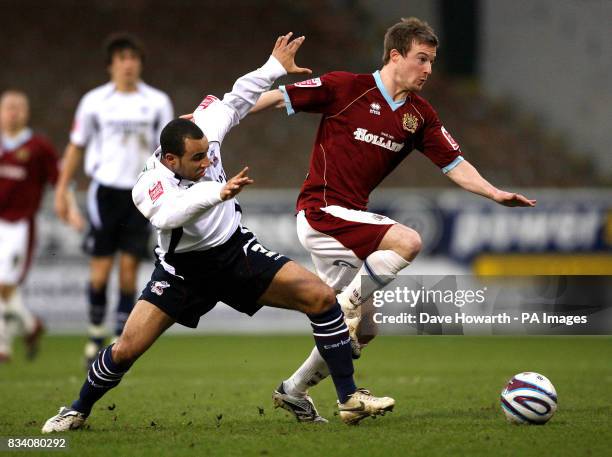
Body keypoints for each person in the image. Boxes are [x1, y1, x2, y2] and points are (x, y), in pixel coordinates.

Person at [41, 33, 395, 433]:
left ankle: (346, 398)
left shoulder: (204, 129)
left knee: (321, 298)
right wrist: (217, 192)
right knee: (125, 349)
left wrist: (273, 67)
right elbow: (169, 215)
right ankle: (77, 410)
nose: (208, 160)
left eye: (208, 152)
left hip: (235, 254)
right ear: (170, 159)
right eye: (197, 158)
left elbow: (238, 99)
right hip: (183, 272)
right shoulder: (150, 183)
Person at [251, 17, 536, 422]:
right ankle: (348, 305)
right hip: (322, 210)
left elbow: (453, 163)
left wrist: (493, 192)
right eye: (421, 59)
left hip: (348, 220)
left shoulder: (419, 115)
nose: (428, 70)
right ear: (395, 55)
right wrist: (218, 119)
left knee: (363, 330)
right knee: (408, 242)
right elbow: (278, 98)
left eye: (433, 62)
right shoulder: (346, 87)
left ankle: (294, 391)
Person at [54, 33, 174, 367]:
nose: (128, 64)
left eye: (133, 58)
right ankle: (94, 333)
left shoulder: (156, 102)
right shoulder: (94, 101)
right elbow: (76, 146)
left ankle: (118, 340)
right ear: (111, 65)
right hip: (104, 193)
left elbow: (167, 151)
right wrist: (62, 191)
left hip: (140, 193)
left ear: (140, 64)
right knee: (99, 272)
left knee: (127, 271)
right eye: (122, 58)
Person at [0, 90, 82, 362]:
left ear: (26, 112)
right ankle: (30, 325)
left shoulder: (38, 146)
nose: (13, 112)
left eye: (18, 108)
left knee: (5, 286)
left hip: (19, 225)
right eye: (8, 107)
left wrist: (70, 209)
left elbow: (61, 179)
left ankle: (4, 344)